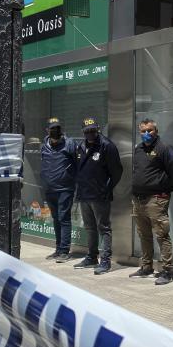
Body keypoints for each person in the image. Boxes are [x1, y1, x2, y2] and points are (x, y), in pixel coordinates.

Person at [130, 119, 173, 285]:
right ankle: (146, 266)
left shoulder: (164, 149)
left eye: (150, 130)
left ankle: (167, 270)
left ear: (156, 131)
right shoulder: (138, 149)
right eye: (143, 131)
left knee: (161, 235)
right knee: (143, 235)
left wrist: (164, 193)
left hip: (156, 199)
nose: (146, 134)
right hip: (138, 200)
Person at [70, 117, 123, 274]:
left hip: (100, 196)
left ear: (98, 129)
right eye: (87, 131)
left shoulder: (107, 146)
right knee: (89, 227)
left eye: (93, 130)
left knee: (104, 228)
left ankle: (105, 261)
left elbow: (117, 172)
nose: (90, 134)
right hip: (84, 195)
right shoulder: (80, 147)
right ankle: (91, 257)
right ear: (83, 132)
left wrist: (107, 188)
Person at [40, 117, 77, 260]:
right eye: (52, 128)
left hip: (65, 189)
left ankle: (64, 252)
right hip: (50, 189)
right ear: (47, 130)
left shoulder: (69, 144)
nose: (55, 131)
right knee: (55, 219)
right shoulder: (44, 146)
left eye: (57, 128)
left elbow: (76, 163)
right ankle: (57, 249)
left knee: (64, 218)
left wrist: (72, 181)